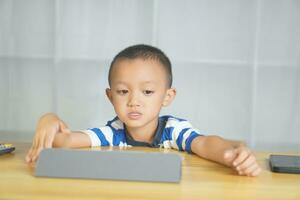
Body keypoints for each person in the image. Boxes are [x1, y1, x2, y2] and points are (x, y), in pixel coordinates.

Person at [25, 44, 261, 177]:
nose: (134, 102)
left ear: (167, 97)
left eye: (147, 92)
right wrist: (49, 119)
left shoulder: (173, 130)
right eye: (123, 92)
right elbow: (65, 142)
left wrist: (231, 155)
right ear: (110, 96)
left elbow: (207, 144)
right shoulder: (113, 132)